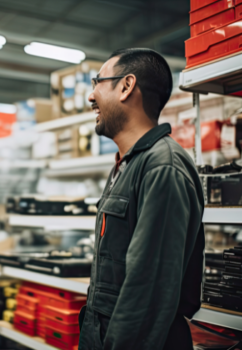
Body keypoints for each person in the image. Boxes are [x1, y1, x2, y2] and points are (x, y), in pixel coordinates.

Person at [78, 49, 205, 350]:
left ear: (126, 86)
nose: (90, 96)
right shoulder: (129, 164)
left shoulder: (163, 167)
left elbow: (148, 292)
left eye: (97, 82)